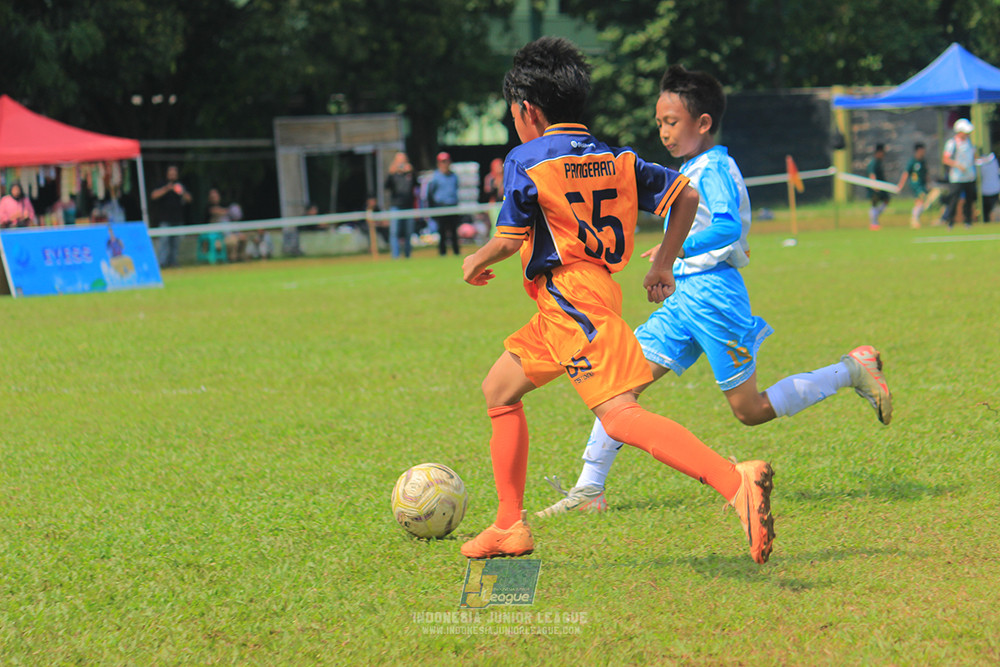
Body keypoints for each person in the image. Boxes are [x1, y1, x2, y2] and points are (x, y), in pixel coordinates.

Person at [459, 37, 775, 565]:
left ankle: (735, 481)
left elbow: (510, 239)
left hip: (570, 298)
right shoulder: (616, 158)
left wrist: (476, 260)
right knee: (500, 389)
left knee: (620, 416)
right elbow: (686, 197)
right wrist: (661, 263)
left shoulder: (526, 158)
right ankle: (509, 525)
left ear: (527, 110)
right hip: (576, 296)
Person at [537, 64, 892, 521]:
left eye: (672, 122)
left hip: (716, 296)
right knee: (618, 386)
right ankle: (589, 488)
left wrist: (675, 247)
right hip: (685, 297)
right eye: (659, 122)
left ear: (702, 123)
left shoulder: (715, 168)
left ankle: (852, 370)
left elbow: (724, 226)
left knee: (750, 410)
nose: (663, 132)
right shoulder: (692, 168)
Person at [150, 165, 191, 268]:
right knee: (164, 242)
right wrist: (166, 189)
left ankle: (173, 262)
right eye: (171, 173)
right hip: (165, 219)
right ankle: (162, 263)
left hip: (177, 219)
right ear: (167, 174)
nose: (172, 175)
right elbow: (153, 196)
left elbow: (189, 199)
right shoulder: (162, 184)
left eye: (174, 173)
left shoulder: (180, 185)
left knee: (175, 243)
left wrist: (182, 192)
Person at [941, 118, 977, 228]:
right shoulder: (952, 143)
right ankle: (950, 221)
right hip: (956, 177)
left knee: (969, 199)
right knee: (954, 199)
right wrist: (958, 165)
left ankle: (968, 221)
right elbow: (945, 159)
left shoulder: (969, 143)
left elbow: (973, 157)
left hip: (969, 176)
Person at [427, 151, 460, 256]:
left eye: (446, 161)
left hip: (452, 206)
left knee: (454, 231)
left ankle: (456, 251)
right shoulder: (435, 177)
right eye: (443, 162)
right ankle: (442, 252)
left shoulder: (454, 176)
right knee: (442, 231)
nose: (445, 164)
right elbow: (430, 194)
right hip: (441, 206)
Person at [385, 152, 416, 258]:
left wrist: (412, 172)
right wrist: (391, 173)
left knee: (408, 232)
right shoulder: (393, 175)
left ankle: (408, 255)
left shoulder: (409, 175)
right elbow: (386, 186)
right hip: (396, 206)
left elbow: (416, 185)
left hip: (408, 206)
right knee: (394, 232)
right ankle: (395, 256)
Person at [897, 143, 929, 228]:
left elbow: (926, 174)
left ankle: (915, 219)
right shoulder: (912, 161)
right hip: (915, 185)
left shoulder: (923, 161)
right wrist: (901, 184)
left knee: (920, 202)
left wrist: (928, 183)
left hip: (922, 185)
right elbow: (906, 173)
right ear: (918, 150)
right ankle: (914, 219)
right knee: (921, 199)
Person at [867, 143, 889, 230]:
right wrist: (874, 185)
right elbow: (872, 174)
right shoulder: (873, 163)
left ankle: (875, 219)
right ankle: (873, 222)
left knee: (886, 200)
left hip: (881, 187)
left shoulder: (879, 162)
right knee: (874, 204)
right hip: (875, 188)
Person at [975, 152, 999, 223]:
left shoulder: (983, 164)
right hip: (988, 190)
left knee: (988, 210)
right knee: (986, 210)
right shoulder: (994, 162)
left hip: (988, 190)